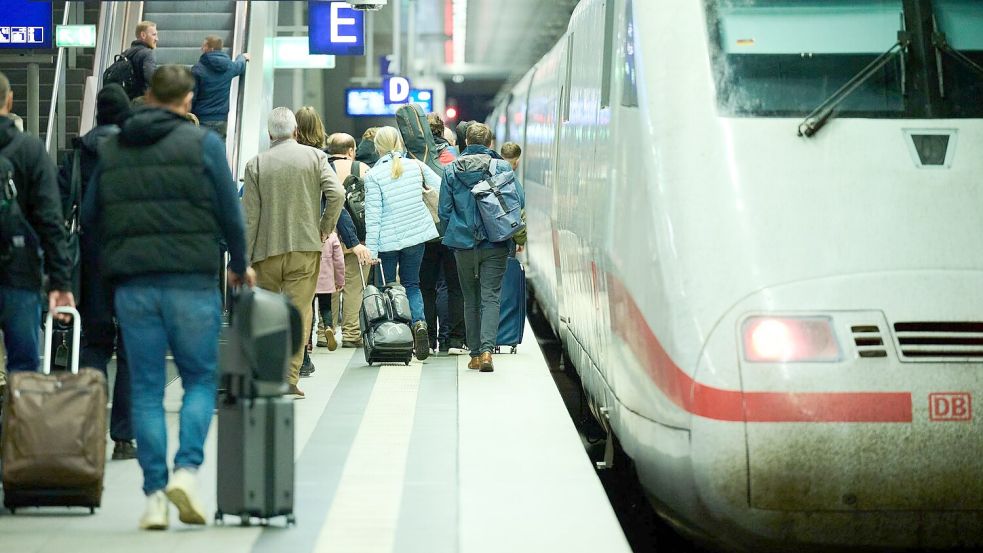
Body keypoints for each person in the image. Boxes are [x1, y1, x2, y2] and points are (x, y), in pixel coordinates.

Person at [83, 65, 252, 530]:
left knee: (145, 387)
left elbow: (92, 219)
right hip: (191, 283)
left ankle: (155, 496)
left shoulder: (114, 147)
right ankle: (185, 472)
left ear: (151, 96)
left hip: (133, 286)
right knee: (199, 380)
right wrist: (238, 263)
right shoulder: (203, 144)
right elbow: (230, 213)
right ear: (188, 100)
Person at [242, 107, 345, 397]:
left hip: (266, 251)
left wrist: (245, 258)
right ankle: (289, 377)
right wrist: (324, 228)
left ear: (269, 134)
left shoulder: (256, 165)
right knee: (299, 312)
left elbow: (250, 216)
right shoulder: (315, 157)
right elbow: (337, 193)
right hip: (305, 247)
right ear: (296, 132)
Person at [60, 83, 137, 460]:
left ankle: (88, 432)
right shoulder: (137, 152)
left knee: (94, 344)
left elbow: (64, 213)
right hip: (132, 260)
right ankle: (123, 438)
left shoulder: (76, 155)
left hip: (91, 263)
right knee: (131, 349)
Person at [0, 71, 75, 380]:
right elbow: (50, 219)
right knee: (23, 371)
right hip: (19, 273)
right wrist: (61, 282)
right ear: (9, 100)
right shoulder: (30, 150)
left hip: (21, 274)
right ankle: (18, 427)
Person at [438, 123, 524, 373]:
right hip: (496, 242)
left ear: (465, 142)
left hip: (463, 244)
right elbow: (518, 201)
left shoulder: (451, 170)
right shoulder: (502, 167)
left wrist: (457, 231)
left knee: (470, 298)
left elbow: (443, 211)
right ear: (490, 144)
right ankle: (487, 351)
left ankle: (474, 354)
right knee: (490, 297)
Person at [363, 127, 442, 360]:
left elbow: (373, 216)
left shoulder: (373, 175)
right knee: (412, 284)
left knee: (387, 289)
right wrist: (423, 193)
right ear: (399, 143)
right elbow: (440, 185)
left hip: (386, 242)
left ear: (377, 147)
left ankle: (393, 334)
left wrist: (371, 250)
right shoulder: (415, 166)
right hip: (416, 236)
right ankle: (419, 324)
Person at [420, 113, 466, 355]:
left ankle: (428, 339)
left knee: (425, 286)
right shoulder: (456, 157)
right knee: (454, 286)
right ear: (442, 131)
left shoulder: (415, 157)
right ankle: (454, 340)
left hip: (423, 232)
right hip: (453, 230)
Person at [324, 132, 374, 349]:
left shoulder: (323, 169)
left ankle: (324, 330)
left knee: (329, 284)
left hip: (328, 235)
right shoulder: (363, 169)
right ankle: (352, 332)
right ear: (351, 150)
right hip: (357, 237)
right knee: (354, 286)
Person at [191, 36, 248, 140]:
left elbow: (193, 96)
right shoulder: (229, 66)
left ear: (211, 49)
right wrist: (242, 57)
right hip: (221, 119)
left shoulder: (198, 69)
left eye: (204, 46)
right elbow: (240, 66)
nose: (201, 49)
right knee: (218, 150)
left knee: (200, 151)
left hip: (202, 118)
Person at [314, 231, 344, 351]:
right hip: (325, 279)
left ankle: (308, 344)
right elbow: (339, 261)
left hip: (308, 278)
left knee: (308, 310)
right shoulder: (331, 235)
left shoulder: (306, 231)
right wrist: (340, 280)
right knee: (326, 307)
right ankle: (328, 326)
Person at [122, 21, 159, 100]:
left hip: (126, 100)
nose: (157, 39)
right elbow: (152, 80)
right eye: (154, 35)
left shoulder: (125, 53)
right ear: (143, 35)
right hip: (141, 102)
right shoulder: (147, 54)